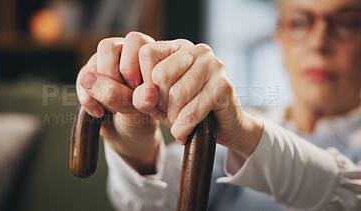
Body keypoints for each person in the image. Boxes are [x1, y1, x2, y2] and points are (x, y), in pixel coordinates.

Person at [76, 0, 361, 210]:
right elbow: (158, 201)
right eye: (299, 22)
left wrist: (245, 134)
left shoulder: (239, 127)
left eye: (348, 22)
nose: (319, 42)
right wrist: (135, 145)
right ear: (280, 37)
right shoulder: (220, 137)